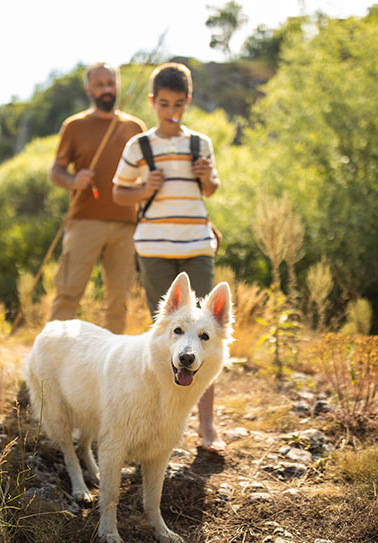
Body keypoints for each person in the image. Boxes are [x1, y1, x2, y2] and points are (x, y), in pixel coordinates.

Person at [112, 62, 225, 453]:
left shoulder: (200, 144)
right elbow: (119, 193)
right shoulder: (138, 146)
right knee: (169, 336)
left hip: (196, 244)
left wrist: (206, 175)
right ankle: (160, 420)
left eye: (178, 104)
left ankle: (207, 426)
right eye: (164, 104)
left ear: (188, 101)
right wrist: (144, 187)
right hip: (155, 249)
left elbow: (210, 189)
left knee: (205, 335)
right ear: (152, 102)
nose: (171, 111)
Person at [48, 62, 146, 334]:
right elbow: (55, 171)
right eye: (100, 84)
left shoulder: (135, 127)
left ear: (118, 86)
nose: (106, 89)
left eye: (110, 83)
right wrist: (72, 180)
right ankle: (49, 362)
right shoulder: (74, 126)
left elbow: (147, 173)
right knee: (68, 292)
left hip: (127, 224)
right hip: (84, 221)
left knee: (119, 300)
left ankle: (110, 369)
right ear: (88, 88)